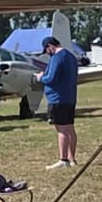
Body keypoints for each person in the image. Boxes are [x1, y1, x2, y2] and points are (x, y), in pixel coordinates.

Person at [35, 36, 78, 169]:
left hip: (57, 99)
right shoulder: (71, 56)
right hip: (70, 97)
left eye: (47, 50)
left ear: (50, 46)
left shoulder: (57, 58)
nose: (48, 53)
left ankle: (63, 160)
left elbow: (51, 78)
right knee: (70, 128)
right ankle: (72, 159)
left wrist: (40, 77)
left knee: (61, 129)